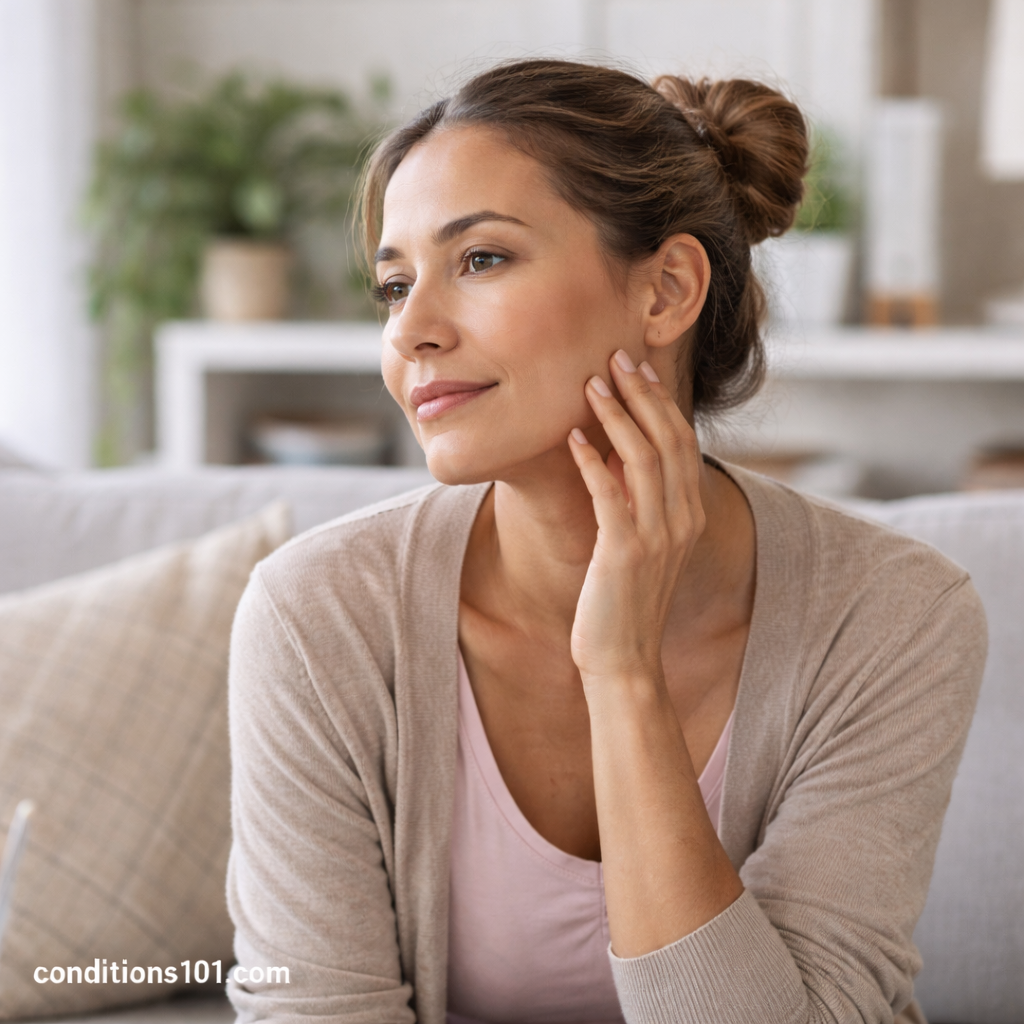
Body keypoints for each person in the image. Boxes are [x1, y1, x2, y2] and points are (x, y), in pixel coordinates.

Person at [225, 60, 987, 1024]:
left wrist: (622, 675)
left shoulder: (894, 619)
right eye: (392, 285)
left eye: (482, 260)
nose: (410, 331)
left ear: (667, 290)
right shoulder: (317, 616)